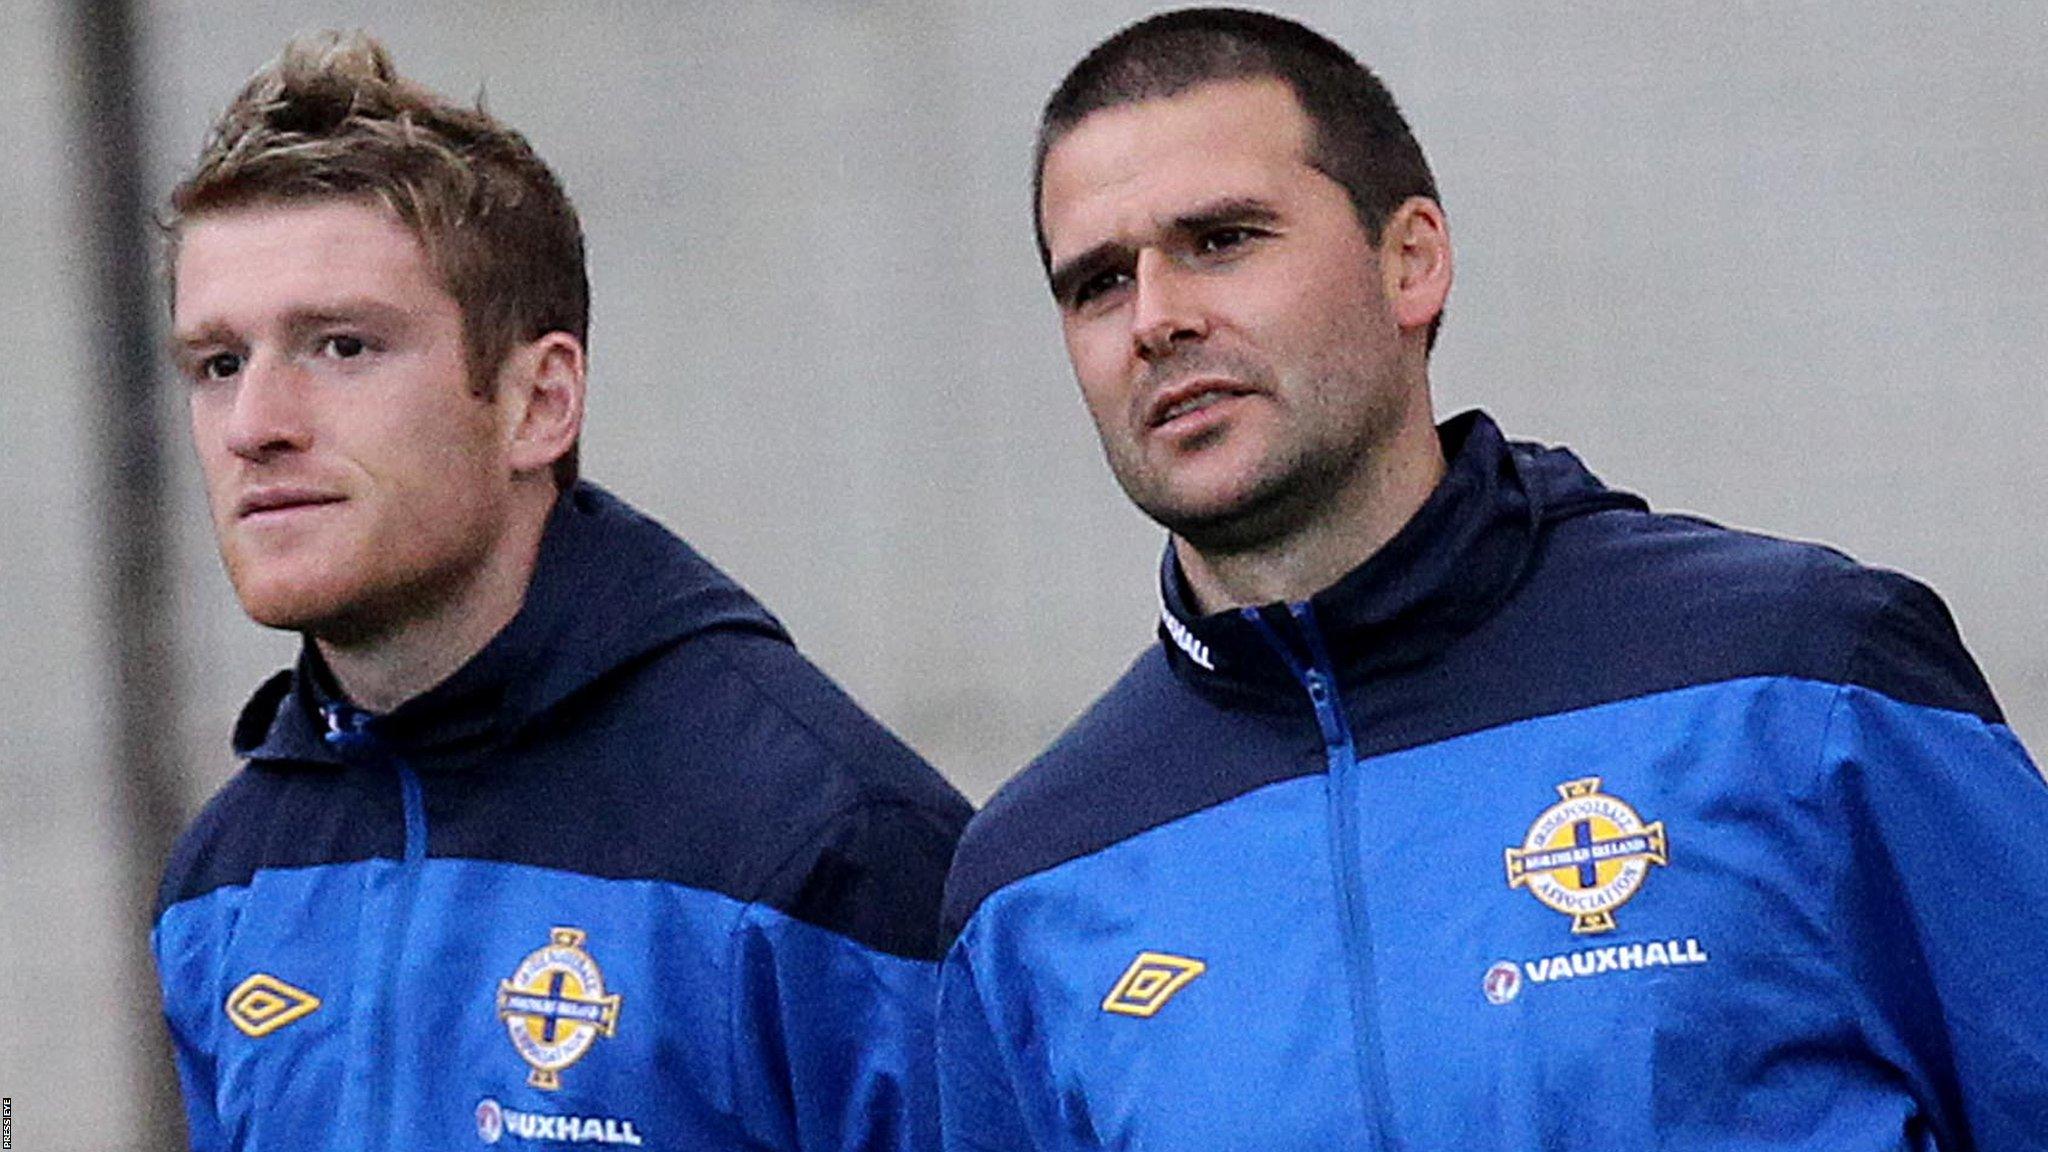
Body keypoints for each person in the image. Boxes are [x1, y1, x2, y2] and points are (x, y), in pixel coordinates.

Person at [936, 8, 2048, 1150]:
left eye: (1220, 239)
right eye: (1097, 284)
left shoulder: (1796, 685)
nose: (1157, 319)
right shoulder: (1033, 885)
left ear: (1409, 259)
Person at [150, 32, 970, 1152]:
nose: (256, 426)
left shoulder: (823, 849)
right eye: (219, 364)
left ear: (540, 402)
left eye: (341, 347)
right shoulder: (227, 881)